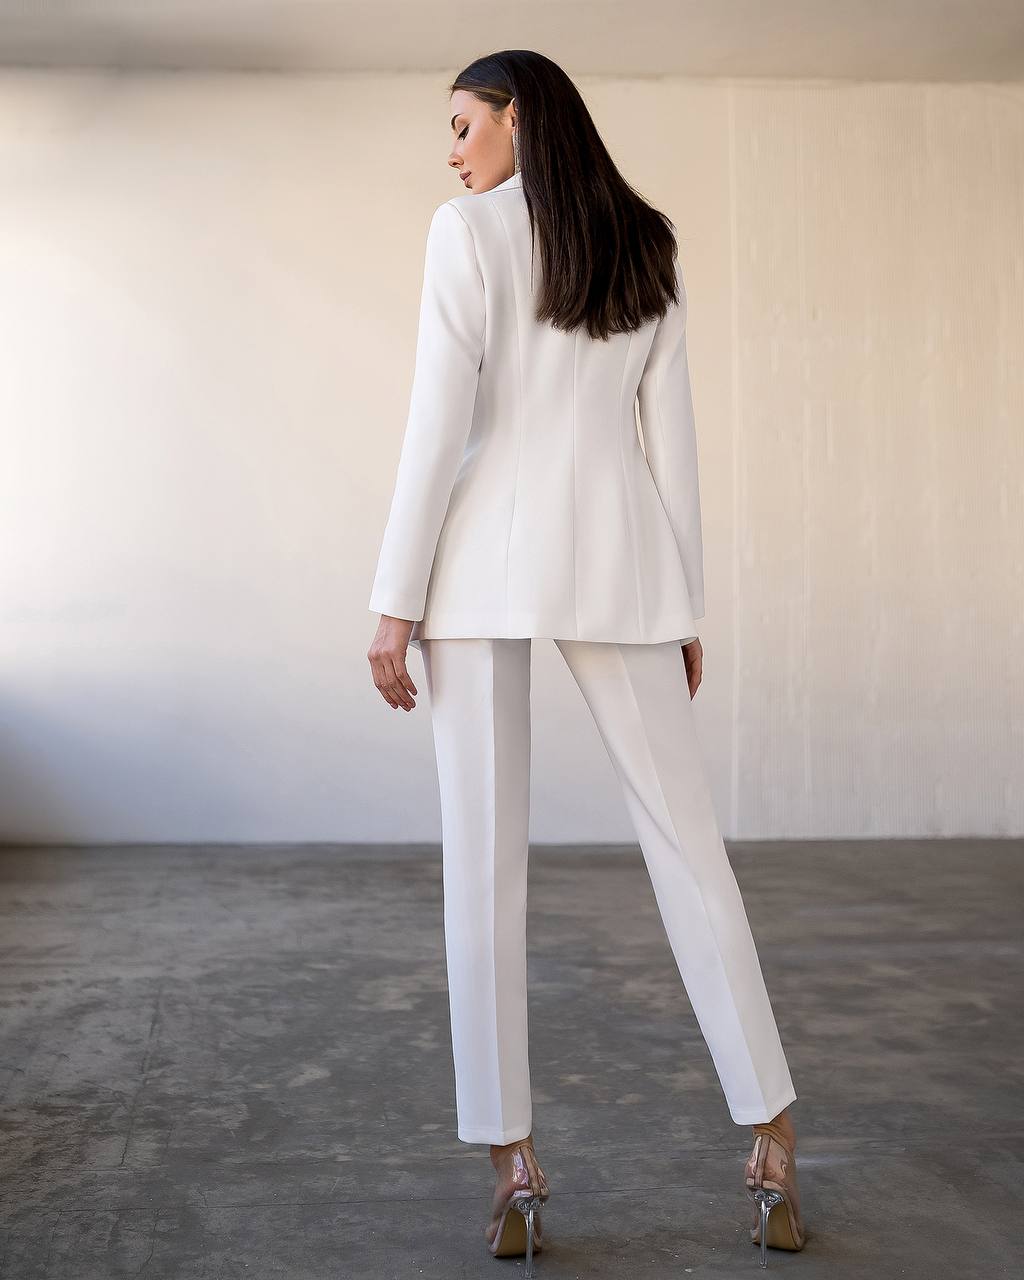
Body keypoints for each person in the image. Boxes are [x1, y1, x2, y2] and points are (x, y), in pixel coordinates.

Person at [366, 49, 807, 1271]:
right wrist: (685, 601)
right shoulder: (644, 242)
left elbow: (435, 423)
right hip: (621, 557)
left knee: (482, 865)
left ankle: (512, 1168)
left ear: (518, 119)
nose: (451, 150)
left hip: (477, 564)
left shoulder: (464, 235)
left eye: (464, 124)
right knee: (689, 844)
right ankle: (771, 1132)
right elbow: (675, 443)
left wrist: (391, 601)